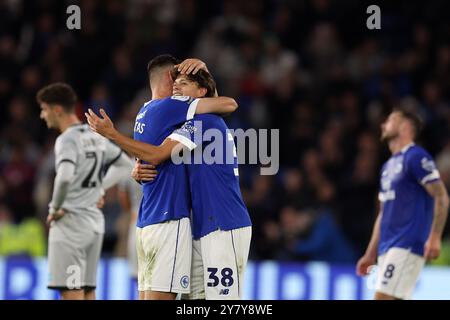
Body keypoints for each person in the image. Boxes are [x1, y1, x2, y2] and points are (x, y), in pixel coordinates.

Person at [86, 55, 238, 300]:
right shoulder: (172, 106)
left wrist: (134, 168)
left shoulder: (143, 112)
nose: (179, 87)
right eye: (179, 80)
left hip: (145, 221)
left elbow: (147, 155)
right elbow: (227, 105)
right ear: (170, 77)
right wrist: (113, 135)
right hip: (170, 219)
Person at [126, 69, 252, 299]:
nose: (176, 87)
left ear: (202, 93)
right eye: (176, 83)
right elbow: (166, 162)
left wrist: (113, 135)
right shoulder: (191, 124)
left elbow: (159, 153)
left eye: (183, 84)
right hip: (202, 227)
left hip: (225, 224)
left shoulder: (205, 122)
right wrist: (138, 167)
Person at [37, 82, 133, 300]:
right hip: (93, 225)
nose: (43, 115)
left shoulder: (66, 140)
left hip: (71, 225)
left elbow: (64, 176)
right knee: (88, 292)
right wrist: (100, 187)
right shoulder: (94, 137)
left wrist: (55, 208)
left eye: (44, 109)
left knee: (71, 292)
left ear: (57, 110)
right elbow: (125, 165)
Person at [356, 108, 449, 300]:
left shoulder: (416, 157)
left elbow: (441, 196)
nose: (384, 124)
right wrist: (370, 253)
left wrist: (434, 236)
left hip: (406, 245)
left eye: (390, 120)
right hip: (387, 248)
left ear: (405, 127)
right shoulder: (387, 166)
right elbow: (383, 214)